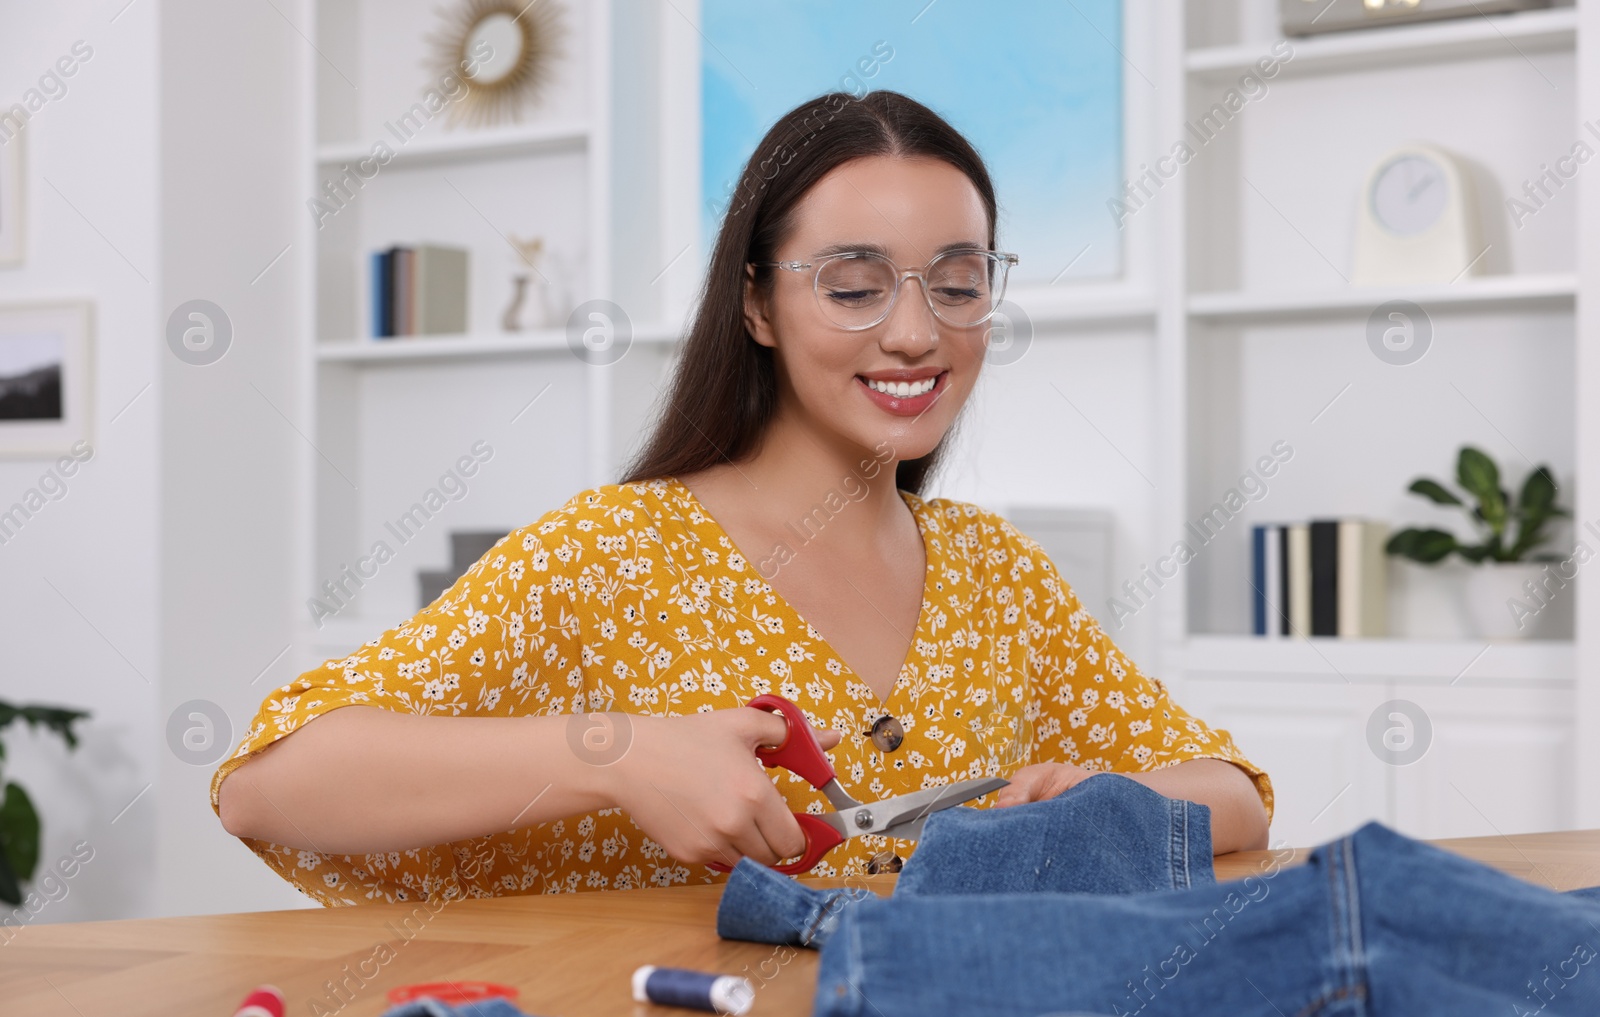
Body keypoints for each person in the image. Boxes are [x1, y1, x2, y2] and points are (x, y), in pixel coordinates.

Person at [214, 90, 1272, 905]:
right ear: (758, 302)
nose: (914, 332)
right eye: (854, 285)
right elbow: (268, 782)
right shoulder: (611, 552)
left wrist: (1114, 808)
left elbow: (1234, 795)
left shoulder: (997, 573)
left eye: (956, 281)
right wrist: (614, 753)